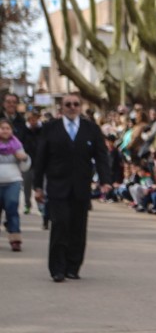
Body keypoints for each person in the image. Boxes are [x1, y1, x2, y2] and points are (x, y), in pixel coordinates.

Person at [32, 93, 112, 282]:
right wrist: (37, 186)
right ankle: (57, 269)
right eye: (68, 104)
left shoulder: (91, 129)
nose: (72, 107)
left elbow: (101, 156)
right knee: (60, 225)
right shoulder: (50, 128)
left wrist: (105, 180)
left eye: (76, 104)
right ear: (61, 107)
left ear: (81, 106)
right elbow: (41, 158)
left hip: (81, 187)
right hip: (57, 186)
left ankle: (73, 267)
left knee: (78, 227)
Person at [0, 118, 31, 251]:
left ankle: (15, 239)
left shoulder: (17, 145)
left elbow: (25, 167)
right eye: (2, 128)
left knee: (12, 208)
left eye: (7, 128)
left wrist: (24, 158)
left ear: (11, 131)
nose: (5, 131)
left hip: (13, 181)